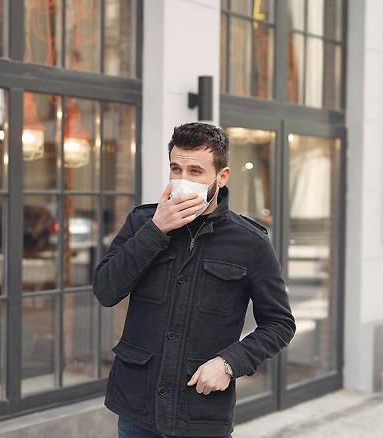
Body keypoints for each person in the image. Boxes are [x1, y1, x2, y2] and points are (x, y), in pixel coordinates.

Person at [93, 122, 296, 437]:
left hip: (201, 413)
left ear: (221, 176)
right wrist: (156, 230)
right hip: (137, 409)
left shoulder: (250, 242)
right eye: (176, 169)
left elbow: (280, 324)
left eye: (196, 171)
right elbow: (106, 290)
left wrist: (229, 363)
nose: (183, 179)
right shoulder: (142, 222)